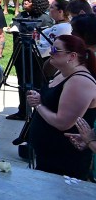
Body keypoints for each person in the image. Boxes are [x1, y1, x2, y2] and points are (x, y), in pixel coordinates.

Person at [27, 35, 96, 179]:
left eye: (55, 50)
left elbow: (62, 122)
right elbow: (56, 101)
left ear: (72, 56)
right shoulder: (62, 73)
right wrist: (41, 98)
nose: (51, 52)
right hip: (48, 157)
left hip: (64, 161)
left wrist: (38, 105)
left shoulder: (79, 81)